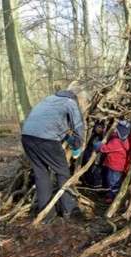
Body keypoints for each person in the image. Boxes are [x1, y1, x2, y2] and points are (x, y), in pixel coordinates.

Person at [21, 90, 85, 223]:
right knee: (62, 172)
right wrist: (78, 143)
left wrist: (70, 139)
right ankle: (69, 209)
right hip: (46, 140)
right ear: (75, 98)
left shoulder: (48, 100)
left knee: (41, 174)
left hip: (27, 136)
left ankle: (46, 214)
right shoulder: (70, 102)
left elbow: (58, 127)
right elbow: (78, 125)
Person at [94, 120, 131, 203]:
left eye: (116, 130)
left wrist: (97, 145)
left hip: (114, 166)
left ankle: (112, 198)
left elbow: (104, 148)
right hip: (118, 166)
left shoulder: (116, 142)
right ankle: (110, 195)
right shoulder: (125, 141)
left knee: (113, 183)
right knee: (114, 181)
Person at [81, 121, 105, 188]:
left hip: (95, 156)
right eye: (98, 127)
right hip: (88, 154)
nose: (99, 129)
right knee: (88, 169)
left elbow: (97, 147)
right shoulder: (92, 135)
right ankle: (88, 182)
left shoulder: (101, 137)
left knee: (95, 170)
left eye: (101, 128)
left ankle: (96, 184)